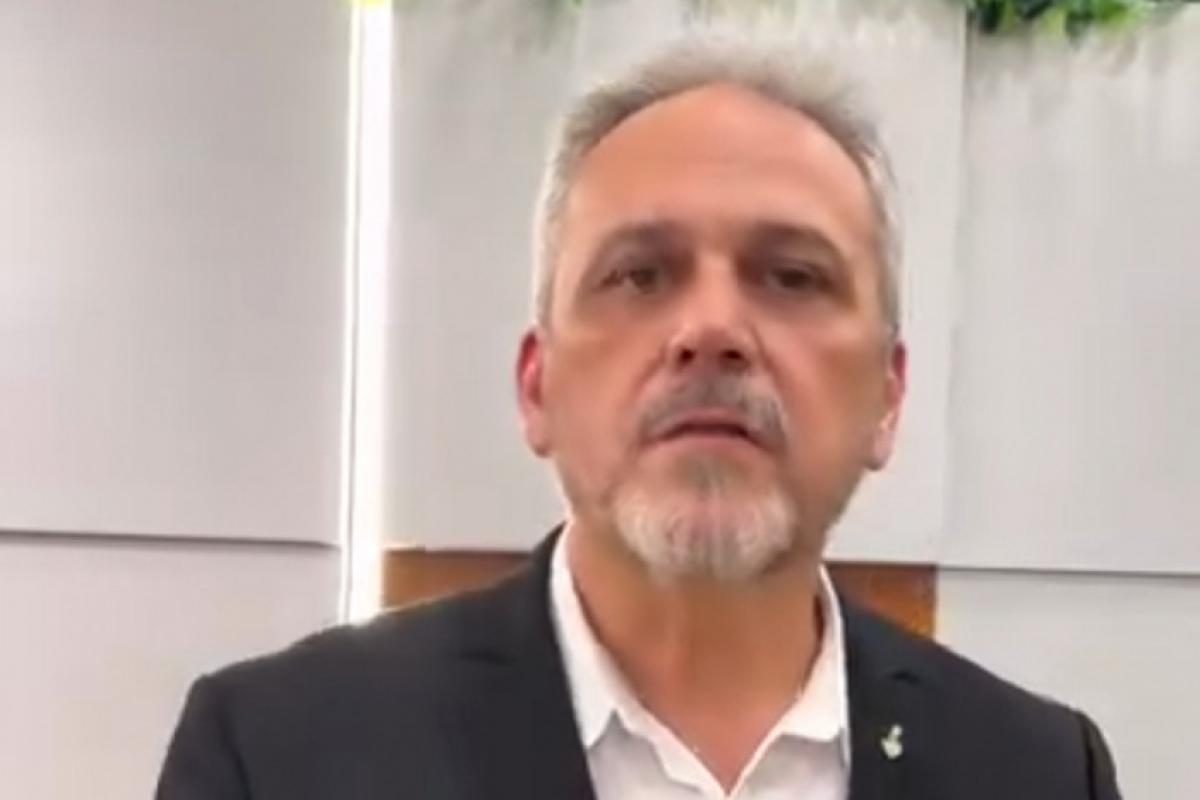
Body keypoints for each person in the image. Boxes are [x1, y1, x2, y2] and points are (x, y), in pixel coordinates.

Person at [157, 39, 1122, 799]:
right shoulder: (280, 755)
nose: (711, 330)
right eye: (638, 275)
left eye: (792, 276)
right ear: (537, 386)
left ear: (889, 399)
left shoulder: (1038, 773)